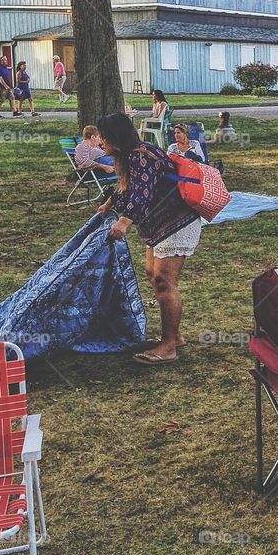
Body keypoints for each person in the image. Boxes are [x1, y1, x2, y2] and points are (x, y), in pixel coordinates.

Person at [96, 113, 201, 366]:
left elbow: (141, 196)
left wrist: (123, 221)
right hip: (160, 226)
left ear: (114, 138)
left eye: (103, 137)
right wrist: (110, 203)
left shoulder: (141, 155)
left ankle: (168, 347)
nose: (100, 142)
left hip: (177, 222)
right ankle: (174, 336)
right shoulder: (131, 156)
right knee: (152, 274)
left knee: (165, 281)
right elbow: (132, 190)